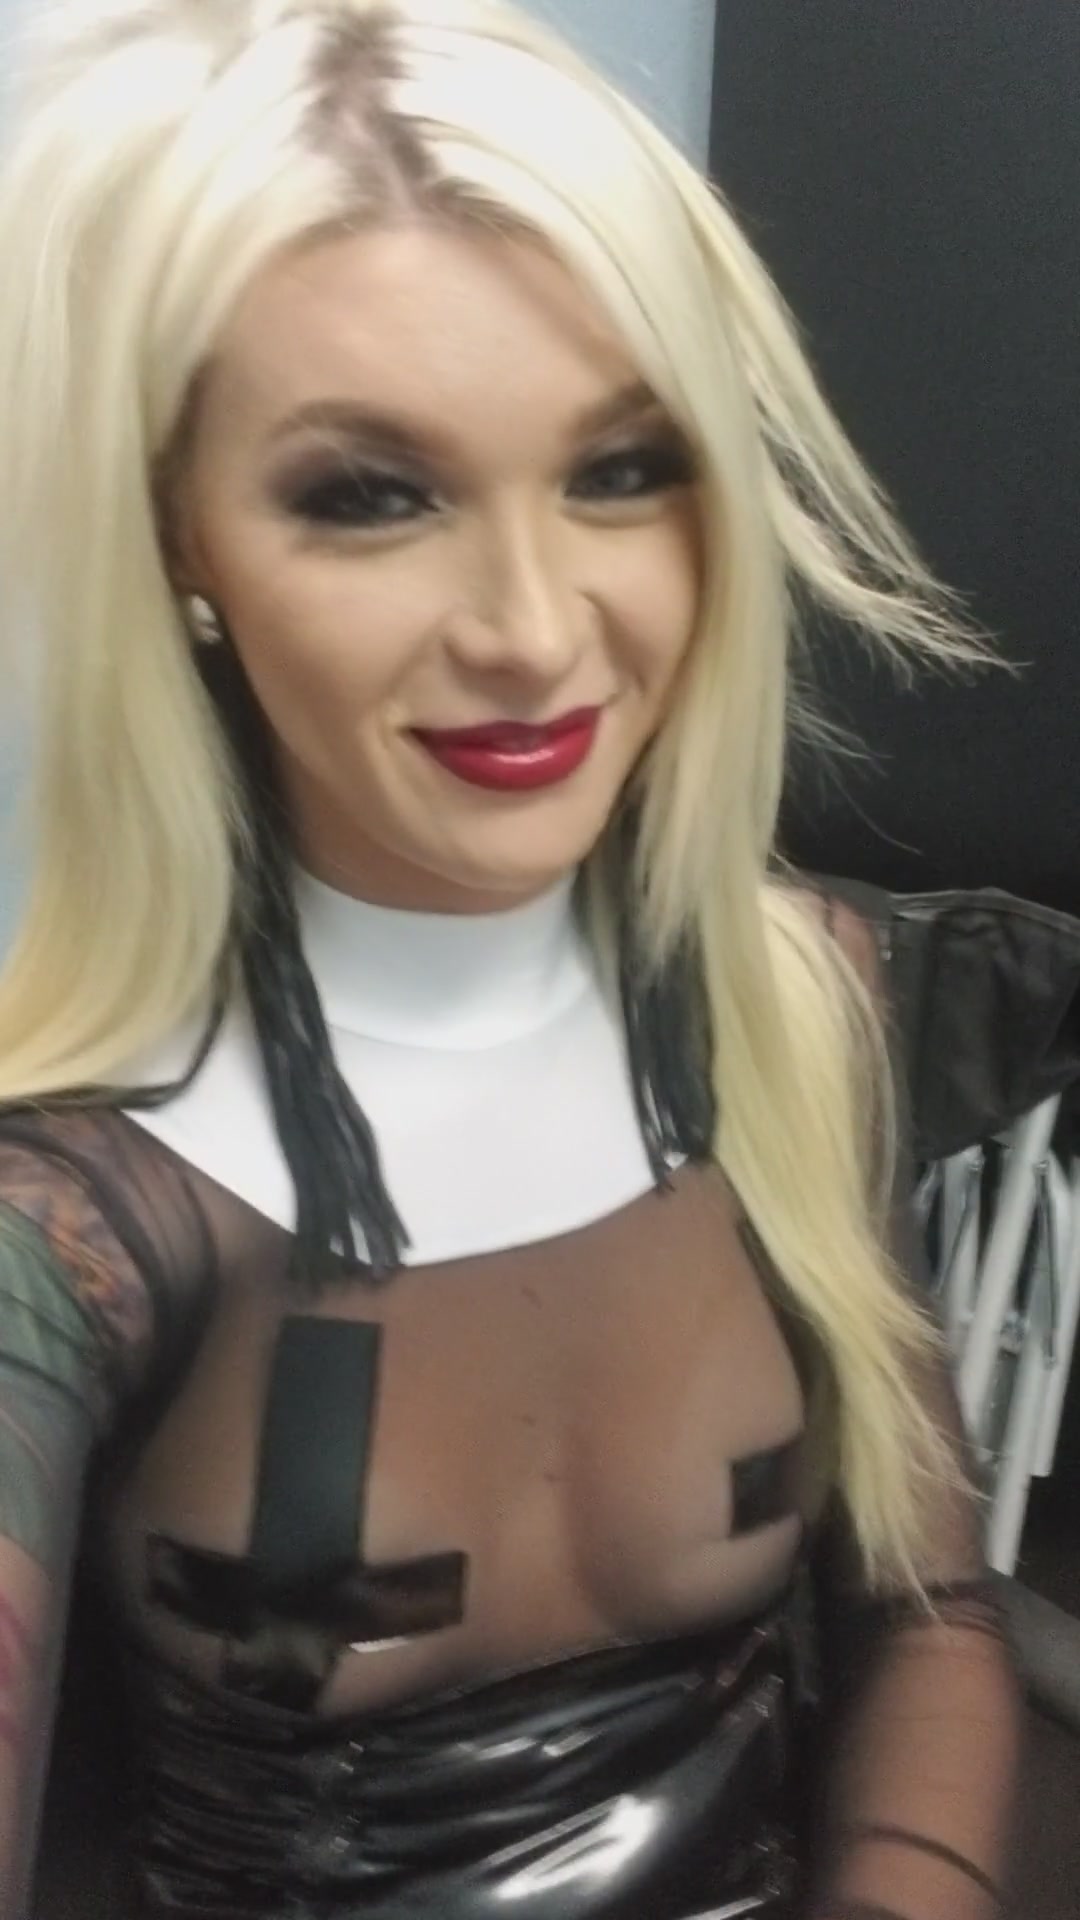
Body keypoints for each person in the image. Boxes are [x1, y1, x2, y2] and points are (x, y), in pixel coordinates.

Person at [0, 1, 1021, 1914]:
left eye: (620, 469)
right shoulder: (66, 1217)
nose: (536, 631)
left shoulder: (795, 1008)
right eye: (370, 496)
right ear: (180, 538)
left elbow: (930, 1614)